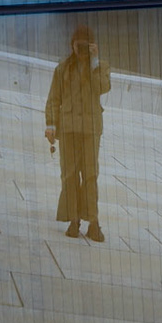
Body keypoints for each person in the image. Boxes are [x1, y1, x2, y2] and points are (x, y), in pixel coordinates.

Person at [45, 24, 112, 242]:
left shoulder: (100, 66)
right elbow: (54, 98)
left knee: (91, 175)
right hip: (69, 128)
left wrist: (94, 62)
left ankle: (93, 222)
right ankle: (74, 220)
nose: (80, 50)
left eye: (85, 45)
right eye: (77, 45)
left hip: (91, 129)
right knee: (69, 175)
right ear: (72, 45)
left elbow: (102, 88)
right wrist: (51, 124)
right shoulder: (62, 69)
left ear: (92, 46)